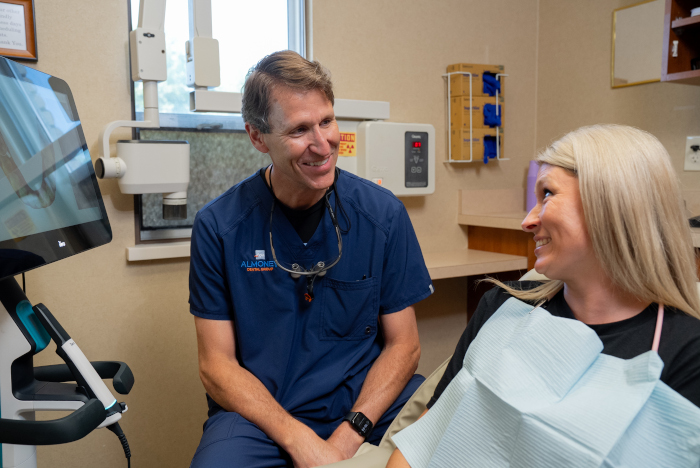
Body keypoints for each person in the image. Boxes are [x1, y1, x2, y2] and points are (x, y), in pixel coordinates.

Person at [387, 124, 700, 467]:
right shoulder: (503, 307)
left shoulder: (688, 352)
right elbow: (423, 441)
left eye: (547, 194)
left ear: (611, 204)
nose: (528, 221)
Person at [188, 50, 433, 468]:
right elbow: (216, 366)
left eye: (327, 121)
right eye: (300, 129)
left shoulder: (382, 215)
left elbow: (404, 346)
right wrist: (298, 438)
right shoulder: (220, 227)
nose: (322, 144)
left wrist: (348, 434)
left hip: (364, 404)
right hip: (264, 417)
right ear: (257, 137)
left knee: (452, 433)